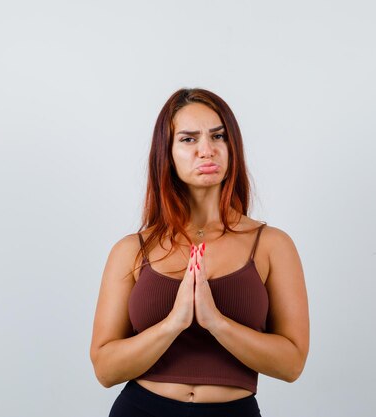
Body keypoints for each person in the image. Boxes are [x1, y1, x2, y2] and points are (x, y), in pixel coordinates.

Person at [90, 88, 310, 417]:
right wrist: (174, 323)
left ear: (232, 146)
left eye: (218, 136)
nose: (206, 150)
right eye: (189, 139)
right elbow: (105, 370)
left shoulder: (271, 245)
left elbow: (291, 364)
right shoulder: (132, 251)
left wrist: (215, 322)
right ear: (167, 152)